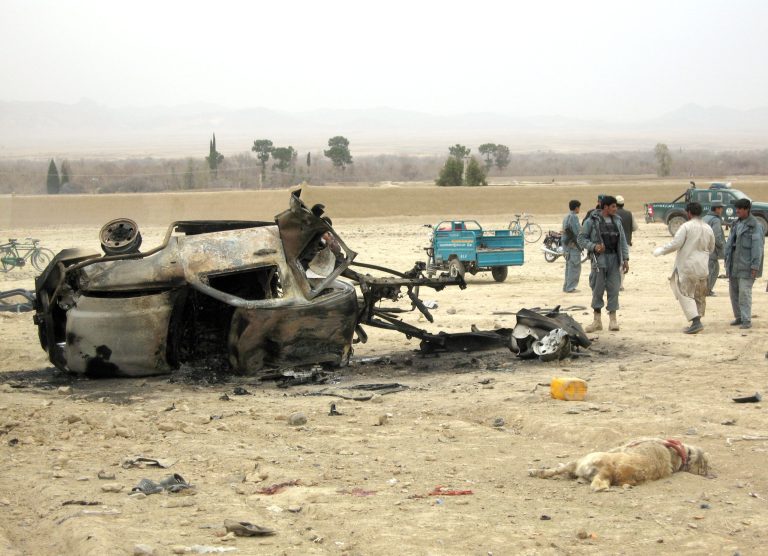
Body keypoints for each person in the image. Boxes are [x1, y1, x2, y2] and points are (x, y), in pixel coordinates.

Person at [653, 202, 715, 334]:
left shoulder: (686, 227)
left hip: (688, 266)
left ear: (689, 213)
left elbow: (675, 244)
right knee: (699, 295)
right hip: (703, 267)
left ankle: (696, 322)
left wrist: (661, 251)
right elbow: (712, 247)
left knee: (685, 294)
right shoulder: (708, 228)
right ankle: (697, 321)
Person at [577, 195, 629, 332]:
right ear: (605, 207)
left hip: (614, 259)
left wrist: (626, 259)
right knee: (597, 289)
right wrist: (594, 247)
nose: (615, 209)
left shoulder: (617, 221)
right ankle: (597, 321)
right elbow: (581, 239)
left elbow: (622, 241)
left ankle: (613, 321)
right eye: (613, 206)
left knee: (614, 289)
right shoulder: (591, 221)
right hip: (599, 260)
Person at [724, 198, 765, 329]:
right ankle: (739, 317)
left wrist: (754, 266)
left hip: (746, 266)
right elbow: (730, 245)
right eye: (736, 209)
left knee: (744, 294)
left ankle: (746, 320)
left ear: (747, 209)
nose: (737, 211)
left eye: (739, 209)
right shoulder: (736, 224)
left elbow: (757, 248)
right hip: (733, 265)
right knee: (734, 293)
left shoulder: (755, 226)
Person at [615, 195, 638, 291]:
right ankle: (620, 285)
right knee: (623, 262)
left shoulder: (612, 214)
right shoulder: (629, 214)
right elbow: (634, 227)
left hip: (613, 243)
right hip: (626, 242)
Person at [702, 202, 726, 295]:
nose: (722, 210)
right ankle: (707, 290)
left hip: (703, 248)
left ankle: (705, 289)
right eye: (721, 208)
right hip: (711, 249)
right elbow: (716, 235)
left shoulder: (705, 218)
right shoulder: (716, 220)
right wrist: (721, 246)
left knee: (707, 269)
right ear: (717, 209)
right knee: (713, 269)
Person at [562, 200, 582, 293]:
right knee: (574, 266)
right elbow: (577, 232)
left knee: (569, 266)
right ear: (576, 207)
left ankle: (566, 287)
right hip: (573, 245)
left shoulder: (566, 217)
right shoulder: (573, 217)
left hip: (567, 246)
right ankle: (570, 287)